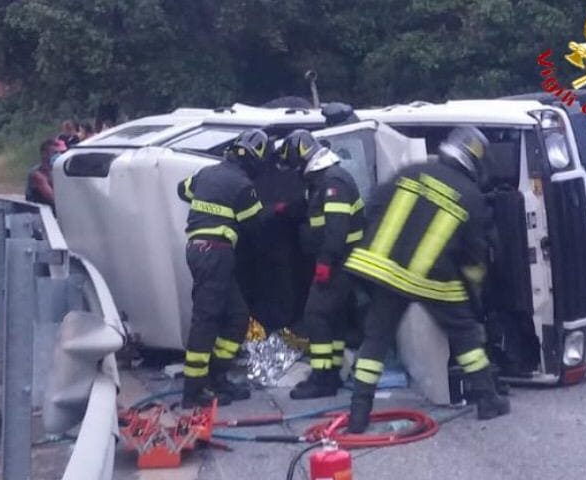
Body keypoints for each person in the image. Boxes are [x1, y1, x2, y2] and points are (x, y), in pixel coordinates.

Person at [343, 126, 510, 433]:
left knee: (375, 341)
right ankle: (487, 400)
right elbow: (476, 255)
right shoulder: (471, 196)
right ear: (474, 160)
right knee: (465, 336)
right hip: (434, 280)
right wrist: (473, 293)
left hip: (385, 270)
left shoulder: (412, 172)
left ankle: (358, 414)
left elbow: (375, 205)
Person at [177, 129, 272, 408]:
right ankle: (193, 390)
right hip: (214, 253)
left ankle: (217, 378)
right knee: (206, 320)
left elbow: (182, 189)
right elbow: (256, 228)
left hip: (203, 252)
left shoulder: (206, 174)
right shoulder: (244, 187)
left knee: (237, 316)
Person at [276, 130, 365, 399]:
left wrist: (326, 262)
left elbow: (336, 230)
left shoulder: (333, 182)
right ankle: (331, 374)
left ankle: (322, 379)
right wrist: (285, 210)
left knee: (316, 316)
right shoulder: (321, 182)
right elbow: (312, 211)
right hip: (341, 261)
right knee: (333, 319)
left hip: (338, 262)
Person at [25, 139, 63, 210]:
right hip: (39, 215)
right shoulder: (37, 174)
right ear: (44, 154)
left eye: (59, 152)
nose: (58, 155)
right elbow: (53, 199)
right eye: (54, 153)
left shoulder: (55, 171)